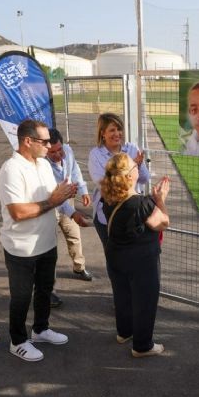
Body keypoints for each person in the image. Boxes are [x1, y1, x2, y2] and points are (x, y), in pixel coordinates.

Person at [0, 119, 77, 362]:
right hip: (21, 248)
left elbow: (54, 197)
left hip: (46, 243)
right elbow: (18, 212)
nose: (49, 145)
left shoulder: (42, 164)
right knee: (21, 297)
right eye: (44, 141)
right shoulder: (11, 169)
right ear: (27, 141)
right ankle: (18, 340)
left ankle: (40, 329)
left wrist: (71, 209)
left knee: (44, 290)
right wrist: (53, 201)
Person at [100, 153, 170, 357]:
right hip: (141, 262)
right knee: (145, 301)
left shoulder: (108, 197)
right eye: (134, 167)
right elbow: (163, 222)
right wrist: (160, 200)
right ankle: (142, 345)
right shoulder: (141, 204)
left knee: (122, 296)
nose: (138, 168)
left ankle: (124, 333)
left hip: (116, 258)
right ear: (129, 177)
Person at [88, 113, 150, 251]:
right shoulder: (96, 154)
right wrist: (131, 169)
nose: (117, 133)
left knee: (135, 255)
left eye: (119, 129)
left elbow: (145, 178)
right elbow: (104, 185)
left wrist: (138, 166)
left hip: (133, 213)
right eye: (112, 130)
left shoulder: (132, 148)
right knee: (115, 258)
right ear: (102, 133)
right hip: (108, 215)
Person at [45, 128, 93, 307]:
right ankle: (48, 290)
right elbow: (53, 193)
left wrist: (83, 190)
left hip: (67, 200)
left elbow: (75, 171)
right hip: (50, 204)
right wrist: (73, 213)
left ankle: (79, 267)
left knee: (74, 235)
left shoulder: (68, 150)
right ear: (45, 150)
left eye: (60, 150)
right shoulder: (41, 164)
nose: (58, 154)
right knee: (48, 249)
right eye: (53, 152)